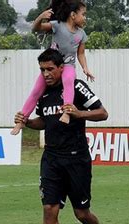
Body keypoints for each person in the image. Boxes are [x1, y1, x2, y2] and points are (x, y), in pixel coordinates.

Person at [13, 48, 109, 224]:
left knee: (82, 214)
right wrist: (26, 121)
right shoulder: (43, 93)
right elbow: (44, 121)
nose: (46, 74)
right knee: (49, 209)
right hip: (51, 159)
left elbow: (103, 113)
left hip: (77, 159)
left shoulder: (76, 87)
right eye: (42, 70)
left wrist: (79, 113)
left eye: (50, 69)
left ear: (60, 68)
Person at [12, 0, 94, 135]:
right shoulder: (57, 26)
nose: (85, 18)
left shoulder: (81, 34)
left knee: (68, 82)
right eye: (83, 14)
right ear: (73, 15)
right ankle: (22, 120)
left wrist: (85, 68)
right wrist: (41, 17)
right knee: (36, 91)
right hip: (52, 63)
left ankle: (67, 113)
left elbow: (81, 53)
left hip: (68, 65)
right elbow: (35, 28)